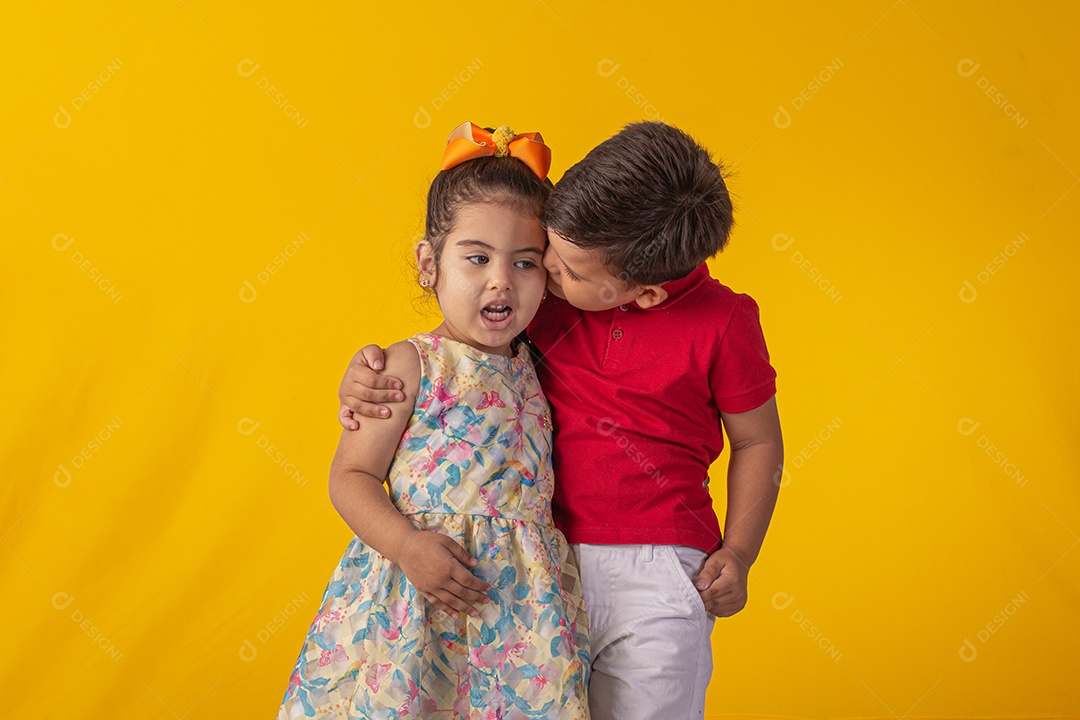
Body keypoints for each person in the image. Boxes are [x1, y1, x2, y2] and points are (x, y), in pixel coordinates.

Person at [338, 121, 784, 720]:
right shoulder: (538, 303)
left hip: (662, 570)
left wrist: (742, 550)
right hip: (542, 572)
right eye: (545, 249)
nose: (539, 270)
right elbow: (455, 349)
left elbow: (757, 440)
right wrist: (368, 374)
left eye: (560, 267)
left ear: (643, 293)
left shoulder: (723, 321)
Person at [279, 122, 590, 719]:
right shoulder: (407, 364)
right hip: (413, 595)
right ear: (429, 261)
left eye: (525, 263)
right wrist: (407, 545)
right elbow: (350, 477)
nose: (501, 279)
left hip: (519, 610)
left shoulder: (540, 365)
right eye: (477, 258)